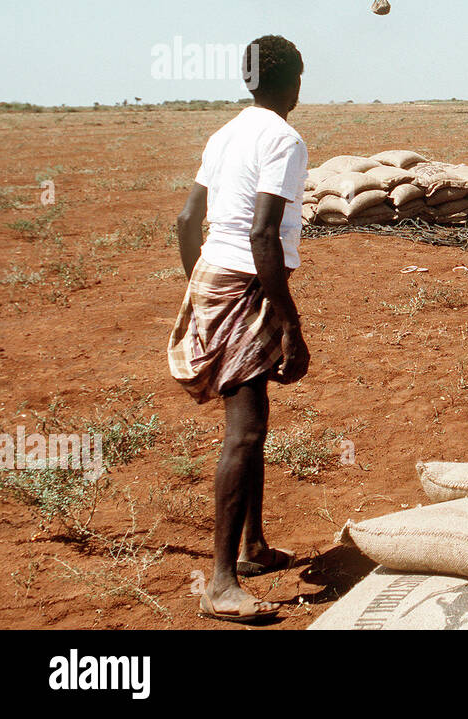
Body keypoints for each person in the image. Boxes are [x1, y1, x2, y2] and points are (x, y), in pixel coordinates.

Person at [168, 35, 310, 624]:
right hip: (248, 281)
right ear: (294, 82)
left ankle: (252, 547)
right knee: (245, 431)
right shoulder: (284, 138)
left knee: (254, 419)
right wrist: (287, 319)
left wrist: (205, 289)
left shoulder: (224, 134)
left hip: (213, 277)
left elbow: (185, 220)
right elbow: (262, 233)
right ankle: (221, 583)